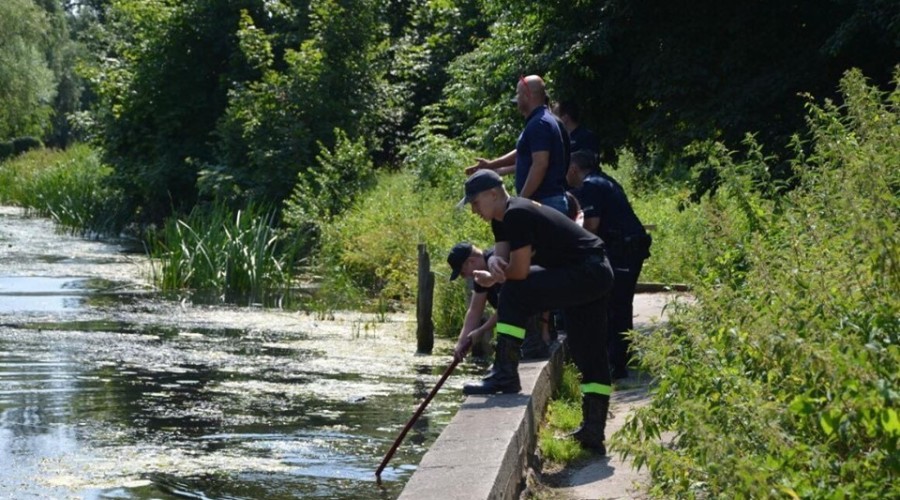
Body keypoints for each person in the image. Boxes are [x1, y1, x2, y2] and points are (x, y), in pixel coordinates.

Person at [458, 169, 615, 454]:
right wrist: (493, 270)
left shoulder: (516, 214)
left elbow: (517, 273)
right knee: (586, 350)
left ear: (493, 194)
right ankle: (593, 431)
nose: (474, 210)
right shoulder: (502, 219)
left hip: (589, 271)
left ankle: (506, 373)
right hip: (589, 272)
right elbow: (503, 262)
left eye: (475, 202)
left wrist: (498, 277)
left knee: (515, 292)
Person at [566, 150, 652, 379]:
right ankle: (620, 359)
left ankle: (616, 364)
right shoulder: (605, 180)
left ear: (573, 169)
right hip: (629, 248)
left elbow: (592, 225)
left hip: (623, 250)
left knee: (616, 307)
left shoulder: (590, 186)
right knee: (619, 305)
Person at [464, 75, 570, 215]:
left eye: (518, 94)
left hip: (545, 202)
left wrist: (521, 201)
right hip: (542, 201)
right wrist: (491, 164)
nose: (517, 99)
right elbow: (522, 152)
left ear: (527, 95)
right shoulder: (538, 121)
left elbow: (540, 164)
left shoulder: (540, 123)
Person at [447, 242, 502, 361]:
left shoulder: (496, 263)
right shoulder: (480, 277)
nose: (464, 277)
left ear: (471, 261)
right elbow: (474, 311)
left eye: (462, 272)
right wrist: (461, 343)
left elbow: (508, 307)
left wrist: (481, 330)